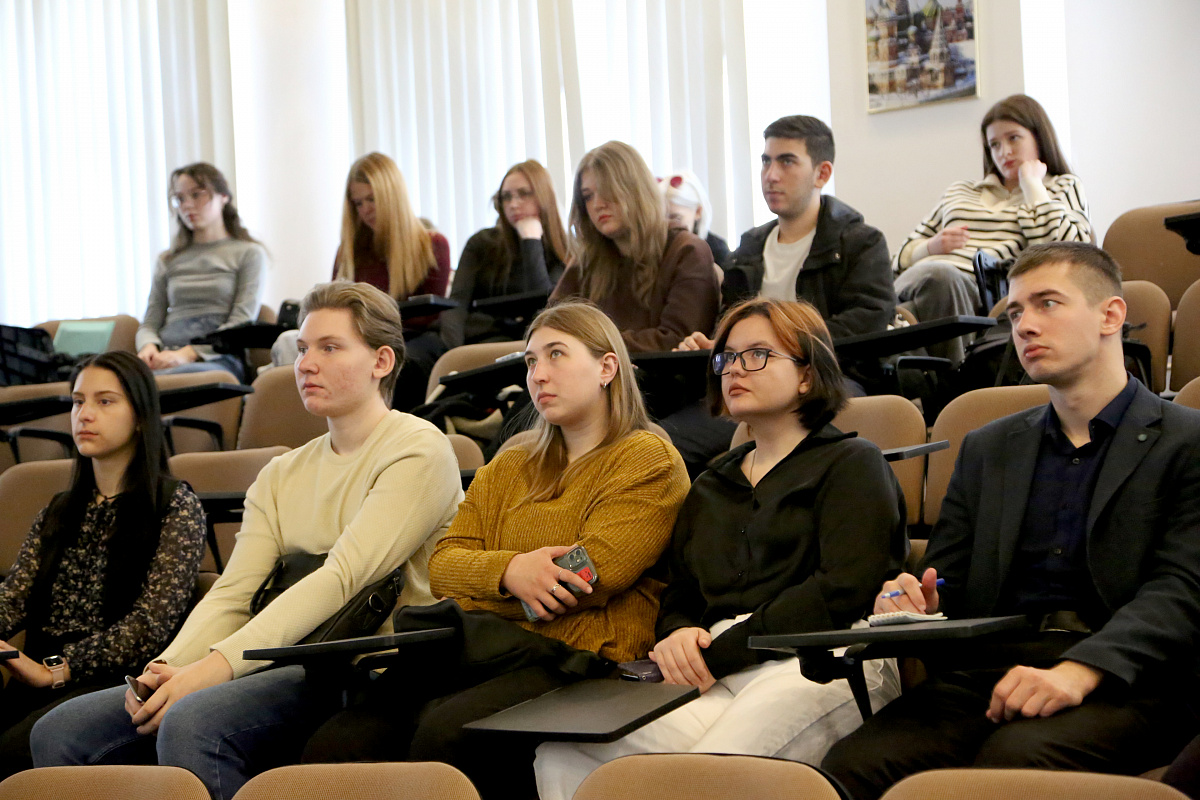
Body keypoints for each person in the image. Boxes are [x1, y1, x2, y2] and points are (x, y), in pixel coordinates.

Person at [31, 282, 464, 800]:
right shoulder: (281, 472)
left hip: (366, 665)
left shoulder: (419, 449)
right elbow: (235, 592)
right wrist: (169, 665)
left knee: (192, 723)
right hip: (286, 655)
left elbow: (344, 577)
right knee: (58, 732)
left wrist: (213, 668)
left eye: (330, 348)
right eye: (303, 348)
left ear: (382, 361)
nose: (306, 364)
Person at [822, 242, 1200, 799]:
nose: (1025, 326)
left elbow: (1182, 591)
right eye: (1017, 311)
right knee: (852, 764)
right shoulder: (990, 448)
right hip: (991, 673)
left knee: (1014, 766)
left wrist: (1079, 671)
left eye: (1048, 304)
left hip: (1132, 681)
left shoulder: (1187, 441)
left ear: (1110, 315)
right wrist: (919, 600)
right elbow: (946, 577)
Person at [301, 301, 691, 799]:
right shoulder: (511, 463)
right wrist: (511, 572)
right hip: (482, 648)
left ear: (607, 368)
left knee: (444, 738)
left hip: (580, 655)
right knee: (334, 746)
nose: (539, 374)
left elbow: (589, 574)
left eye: (556, 355)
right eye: (530, 362)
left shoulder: (646, 458)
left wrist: (497, 581)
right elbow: (444, 565)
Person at [534, 298, 906, 800]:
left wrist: (717, 650)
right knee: (564, 751)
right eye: (727, 357)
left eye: (756, 355)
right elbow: (681, 588)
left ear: (806, 375)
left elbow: (842, 589)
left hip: (820, 660)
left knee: (707, 777)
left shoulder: (851, 463)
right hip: (718, 667)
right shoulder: (712, 482)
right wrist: (678, 632)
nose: (734, 369)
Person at [0, 352, 205, 778]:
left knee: (12, 753)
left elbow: (149, 625)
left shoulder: (175, 506)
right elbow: (13, 598)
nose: (85, 414)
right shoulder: (59, 510)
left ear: (141, 417)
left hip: (118, 684)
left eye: (105, 401)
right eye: (77, 402)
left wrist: (55, 670)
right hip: (34, 680)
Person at [667, 115, 895, 476]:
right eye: (765, 161)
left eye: (786, 161)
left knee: (674, 447)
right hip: (748, 375)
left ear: (822, 173)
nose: (771, 175)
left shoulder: (859, 242)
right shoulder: (749, 247)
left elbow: (868, 318)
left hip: (828, 378)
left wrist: (781, 348)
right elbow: (732, 317)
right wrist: (716, 343)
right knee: (660, 444)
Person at [893, 94, 1091, 363]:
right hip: (922, 278)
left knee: (919, 307)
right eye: (994, 145)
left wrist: (1033, 186)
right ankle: (957, 384)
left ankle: (935, 385)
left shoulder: (1060, 187)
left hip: (978, 293)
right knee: (926, 284)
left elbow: (1069, 254)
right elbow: (898, 259)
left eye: (1013, 139)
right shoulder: (960, 191)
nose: (1004, 152)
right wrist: (931, 246)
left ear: (1038, 137)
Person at [551, 141, 720, 353]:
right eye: (588, 196)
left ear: (635, 190)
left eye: (607, 191)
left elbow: (676, 341)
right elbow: (551, 328)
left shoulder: (687, 251)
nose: (597, 204)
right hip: (592, 380)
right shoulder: (588, 260)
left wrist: (586, 345)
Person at [136, 163, 267, 382]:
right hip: (166, 354)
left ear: (223, 196)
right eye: (180, 199)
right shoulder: (168, 259)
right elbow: (150, 322)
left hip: (218, 357)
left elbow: (240, 323)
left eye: (197, 195)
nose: (187, 205)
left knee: (173, 380)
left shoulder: (249, 253)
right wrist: (148, 347)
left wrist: (188, 354)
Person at [438, 159, 569, 350]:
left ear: (544, 197)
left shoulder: (563, 251)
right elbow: (456, 305)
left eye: (524, 194)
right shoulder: (482, 243)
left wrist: (531, 241)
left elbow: (546, 309)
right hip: (473, 340)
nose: (513, 204)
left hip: (529, 345)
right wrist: (452, 354)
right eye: (506, 197)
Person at [659, 170, 732, 272]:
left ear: (698, 211)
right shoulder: (653, 249)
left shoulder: (716, 252)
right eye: (660, 219)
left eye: (676, 218)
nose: (667, 225)